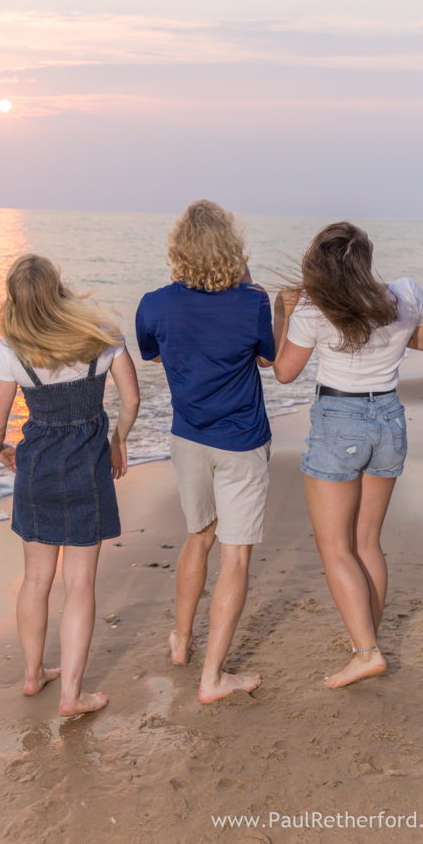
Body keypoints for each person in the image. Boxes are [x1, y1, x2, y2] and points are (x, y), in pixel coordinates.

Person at [273, 221, 423, 688]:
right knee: (367, 542)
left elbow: (285, 373)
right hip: (388, 417)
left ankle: (365, 651)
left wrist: (284, 313)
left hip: (339, 419)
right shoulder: (406, 293)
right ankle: (369, 640)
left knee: (335, 547)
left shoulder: (311, 307)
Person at [0, 254, 140, 716]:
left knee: (35, 579)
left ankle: (33, 675)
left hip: (36, 466)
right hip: (87, 466)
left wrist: (1, 450)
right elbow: (131, 399)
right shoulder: (102, 333)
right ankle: (73, 694)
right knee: (80, 583)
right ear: (58, 289)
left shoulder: (11, 347)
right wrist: (118, 441)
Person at [135, 200, 275, 704]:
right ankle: (213, 678)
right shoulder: (252, 300)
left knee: (199, 535)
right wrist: (249, 284)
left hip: (187, 437)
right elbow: (266, 356)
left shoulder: (154, 302)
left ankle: (181, 640)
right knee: (235, 557)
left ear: (177, 249)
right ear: (232, 249)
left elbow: (152, 353)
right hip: (240, 441)